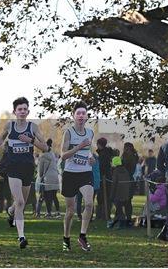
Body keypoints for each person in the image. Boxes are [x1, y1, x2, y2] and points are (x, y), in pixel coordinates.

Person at [0, 97, 48, 249]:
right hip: (13, 168)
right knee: (20, 202)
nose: (22, 112)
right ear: (15, 112)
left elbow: (45, 147)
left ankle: (10, 212)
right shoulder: (9, 125)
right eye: (20, 109)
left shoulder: (33, 127)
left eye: (25, 109)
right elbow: (2, 135)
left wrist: (30, 140)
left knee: (20, 204)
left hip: (28, 169)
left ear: (28, 111)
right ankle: (21, 237)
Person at [60, 101, 96, 252]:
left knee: (89, 204)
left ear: (87, 116)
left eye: (83, 113)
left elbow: (89, 151)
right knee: (70, 211)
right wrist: (78, 147)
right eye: (78, 113)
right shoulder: (68, 133)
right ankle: (66, 238)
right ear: (73, 116)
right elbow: (63, 155)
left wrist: (92, 157)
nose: (81, 116)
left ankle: (82, 235)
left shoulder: (90, 133)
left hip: (85, 173)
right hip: (70, 174)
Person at [37, 139, 61, 218]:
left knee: (47, 197)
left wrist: (41, 176)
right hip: (55, 177)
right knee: (54, 196)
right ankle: (58, 212)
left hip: (47, 178)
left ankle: (49, 213)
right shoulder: (53, 155)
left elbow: (40, 172)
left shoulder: (43, 157)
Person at [108, 156, 130, 229]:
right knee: (118, 210)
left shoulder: (116, 171)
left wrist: (111, 196)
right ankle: (114, 223)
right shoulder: (126, 171)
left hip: (118, 193)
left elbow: (114, 184)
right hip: (125, 193)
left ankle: (122, 224)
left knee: (119, 210)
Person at [96, 137, 114, 220]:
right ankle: (103, 215)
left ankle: (103, 215)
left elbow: (102, 167)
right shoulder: (106, 153)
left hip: (104, 178)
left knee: (102, 197)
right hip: (107, 177)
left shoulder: (104, 154)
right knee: (103, 197)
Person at [122, 142, 139, 226]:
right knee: (128, 201)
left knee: (127, 201)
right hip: (129, 180)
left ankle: (127, 218)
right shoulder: (133, 155)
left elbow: (126, 167)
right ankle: (128, 218)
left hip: (126, 180)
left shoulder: (128, 156)